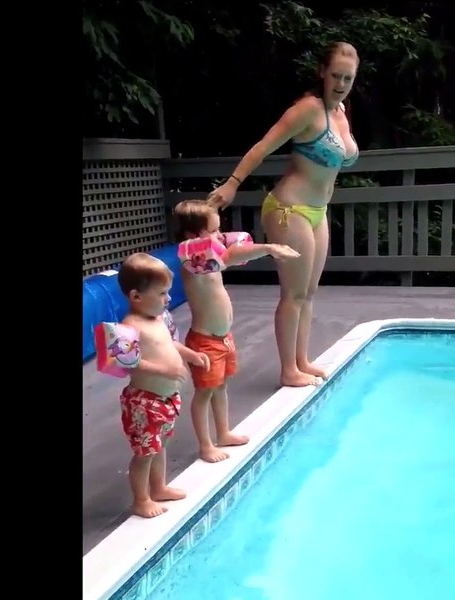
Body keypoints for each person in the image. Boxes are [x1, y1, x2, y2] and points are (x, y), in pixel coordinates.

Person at [207, 41, 361, 388]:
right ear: (322, 72)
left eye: (348, 78)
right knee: (292, 294)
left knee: (308, 293)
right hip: (288, 209)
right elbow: (263, 146)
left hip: (317, 212)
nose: (340, 83)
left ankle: (301, 360)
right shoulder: (308, 110)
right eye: (335, 75)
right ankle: (287, 369)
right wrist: (232, 183)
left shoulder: (340, 114)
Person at [171, 199, 300, 462]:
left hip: (223, 339)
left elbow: (227, 256)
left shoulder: (209, 258)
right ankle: (206, 445)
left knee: (221, 388)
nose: (219, 236)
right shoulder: (193, 260)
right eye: (213, 231)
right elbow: (230, 256)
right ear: (192, 236)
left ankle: (223, 433)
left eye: (220, 229)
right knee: (204, 393)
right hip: (204, 342)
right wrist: (269, 248)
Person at [115, 253, 211, 518]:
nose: (168, 299)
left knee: (160, 445)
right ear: (136, 297)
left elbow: (171, 344)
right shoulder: (129, 327)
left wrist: (191, 355)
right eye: (162, 293)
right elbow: (128, 364)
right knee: (145, 452)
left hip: (166, 399)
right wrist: (165, 370)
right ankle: (141, 499)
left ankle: (158, 487)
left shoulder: (159, 319)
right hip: (144, 402)